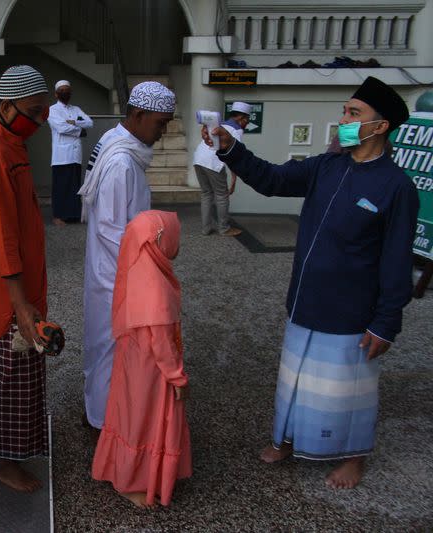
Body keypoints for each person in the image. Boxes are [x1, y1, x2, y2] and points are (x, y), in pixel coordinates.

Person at [205, 76, 418, 488]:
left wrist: (386, 322)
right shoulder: (327, 165)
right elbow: (272, 180)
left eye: (354, 114)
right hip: (305, 302)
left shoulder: (396, 186)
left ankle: (354, 456)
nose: (343, 120)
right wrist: (230, 149)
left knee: (348, 391)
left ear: (381, 126)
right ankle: (287, 439)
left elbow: (397, 262)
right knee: (296, 380)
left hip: (352, 314)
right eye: (344, 111)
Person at [0, 65, 50, 492]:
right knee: (10, 375)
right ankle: (3, 461)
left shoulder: (0, 136)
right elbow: (2, 233)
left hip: (10, 281)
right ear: (5, 105)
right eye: (35, 111)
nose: (40, 121)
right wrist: (20, 303)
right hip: (7, 290)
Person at [79, 81, 175, 430]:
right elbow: (111, 230)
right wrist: (145, 273)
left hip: (114, 270)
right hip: (116, 274)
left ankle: (103, 414)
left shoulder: (116, 143)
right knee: (111, 348)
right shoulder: (122, 162)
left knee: (104, 344)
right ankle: (107, 426)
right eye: (160, 124)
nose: (162, 133)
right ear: (137, 114)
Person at [92, 210, 191, 508]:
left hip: (132, 362)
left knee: (129, 414)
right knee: (145, 420)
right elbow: (161, 343)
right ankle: (132, 480)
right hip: (152, 371)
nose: (178, 244)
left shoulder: (138, 268)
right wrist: (178, 377)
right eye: (174, 238)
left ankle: (123, 470)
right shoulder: (155, 287)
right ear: (159, 241)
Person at [192, 101, 251, 236]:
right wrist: (234, 180)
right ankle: (224, 228)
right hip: (213, 162)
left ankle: (205, 229)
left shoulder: (219, 124)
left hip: (198, 160)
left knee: (206, 194)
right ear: (242, 119)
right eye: (246, 120)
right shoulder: (236, 130)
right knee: (221, 195)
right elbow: (233, 155)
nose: (247, 124)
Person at [48, 80, 94, 225]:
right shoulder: (53, 110)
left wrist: (73, 122)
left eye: (67, 90)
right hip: (61, 155)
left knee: (74, 186)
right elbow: (61, 128)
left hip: (75, 155)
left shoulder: (76, 110)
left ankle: (73, 215)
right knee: (61, 186)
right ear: (56, 94)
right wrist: (80, 131)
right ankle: (58, 216)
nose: (65, 92)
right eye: (62, 90)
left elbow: (89, 122)